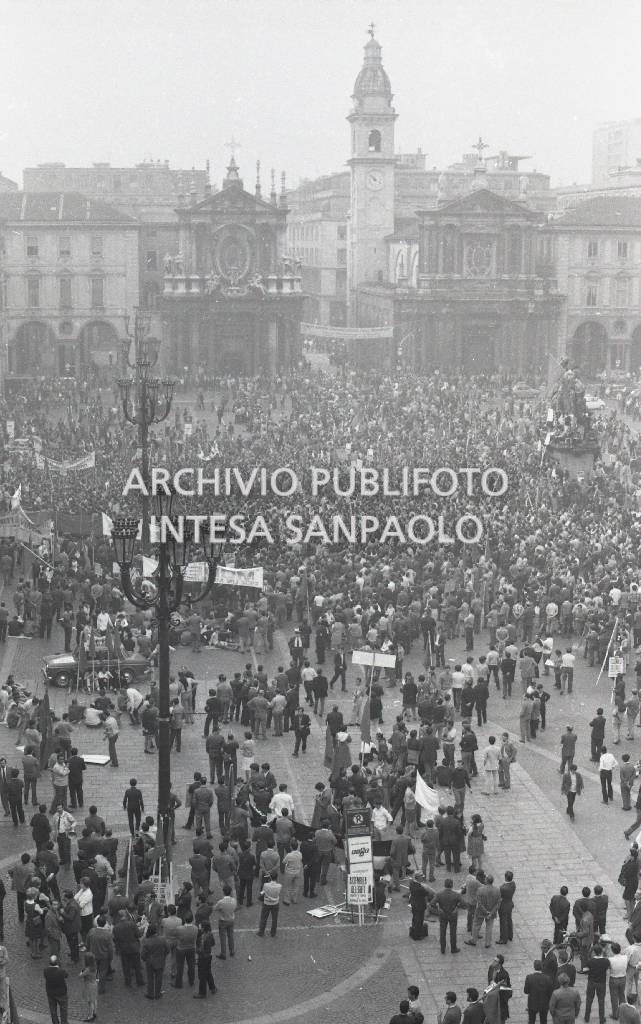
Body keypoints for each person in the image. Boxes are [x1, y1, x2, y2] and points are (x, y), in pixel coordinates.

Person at [431, 877, 463, 954]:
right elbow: (464, 904)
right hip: (453, 915)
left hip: (443, 915)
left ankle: (443, 949)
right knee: (453, 932)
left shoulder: (439, 894)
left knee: (442, 932)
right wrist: (457, 907)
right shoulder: (457, 894)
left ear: (444, 885)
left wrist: (438, 908)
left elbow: (432, 903)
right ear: (452, 885)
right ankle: (453, 948)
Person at [140, 925, 168, 1000]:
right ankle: (157, 994)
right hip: (160, 961)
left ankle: (151, 994)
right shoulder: (162, 939)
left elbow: (142, 955)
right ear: (156, 931)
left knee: (150, 978)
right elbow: (167, 950)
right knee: (159, 978)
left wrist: (146, 959)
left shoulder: (146, 941)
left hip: (150, 962)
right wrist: (163, 957)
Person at [585, 943, 610, 1024]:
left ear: (594, 952)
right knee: (601, 1001)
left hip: (591, 982)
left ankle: (587, 1017)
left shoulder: (590, 961)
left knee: (589, 1000)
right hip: (601, 983)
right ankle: (601, 1019)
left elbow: (586, 970)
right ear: (601, 951)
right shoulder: (606, 961)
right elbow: (607, 968)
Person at [524, 959, 554, 1024]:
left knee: (531, 1021)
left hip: (532, 1004)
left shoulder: (529, 977)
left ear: (534, 967)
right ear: (542, 967)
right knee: (543, 1021)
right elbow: (550, 993)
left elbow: (526, 991)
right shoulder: (548, 978)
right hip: (544, 1004)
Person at [193, 920, 216, 999]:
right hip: (209, 956)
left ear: (203, 928)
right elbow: (213, 943)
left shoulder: (203, 937)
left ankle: (202, 993)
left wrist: (195, 950)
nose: (199, 927)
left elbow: (201, 950)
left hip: (203, 958)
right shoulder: (210, 933)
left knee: (202, 975)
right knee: (208, 972)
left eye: (200, 926)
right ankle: (213, 988)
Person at [44, 954, 69, 1024]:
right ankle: (64, 1022)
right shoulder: (61, 971)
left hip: (51, 993)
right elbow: (66, 975)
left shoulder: (45, 970)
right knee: (63, 1010)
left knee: (53, 1011)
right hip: (62, 994)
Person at [257, 870, 282, 937]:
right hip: (275, 903)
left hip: (266, 903)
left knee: (264, 918)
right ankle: (273, 933)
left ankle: (261, 932)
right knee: (274, 919)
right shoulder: (279, 886)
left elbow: (263, 892)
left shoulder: (266, 885)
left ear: (270, 877)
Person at [79, 950, 98, 1022]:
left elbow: (80, 975)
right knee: (94, 999)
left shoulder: (87, 969)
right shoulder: (94, 966)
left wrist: (81, 971)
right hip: (94, 984)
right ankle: (95, 1012)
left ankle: (90, 1016)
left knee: (90, 1002)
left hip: (89, 986)